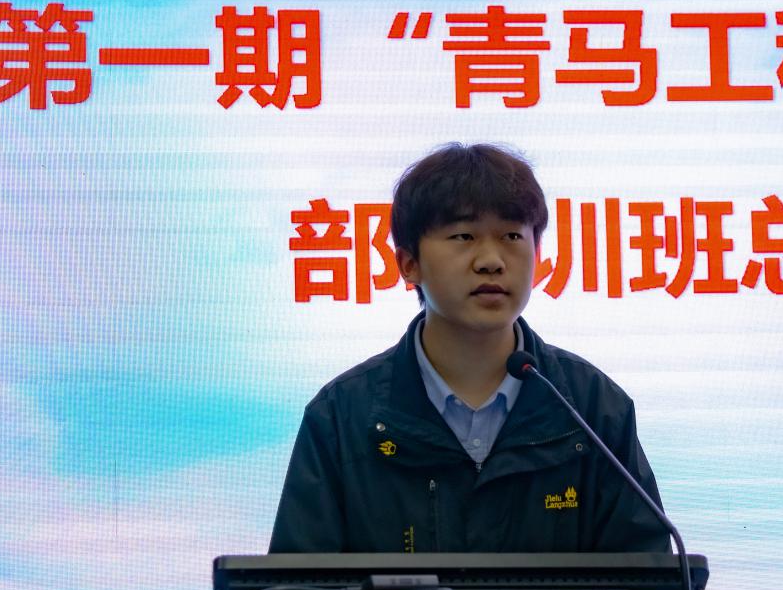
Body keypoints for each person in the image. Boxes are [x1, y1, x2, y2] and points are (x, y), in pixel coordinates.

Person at [269, 143, 670, 553]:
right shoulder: (342, 416)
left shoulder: (592, 408)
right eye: (463, 236)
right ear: (408, 263)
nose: (492, 261)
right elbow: (296, 587)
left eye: (512, 236)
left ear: (537, 252)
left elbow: (648, 582)